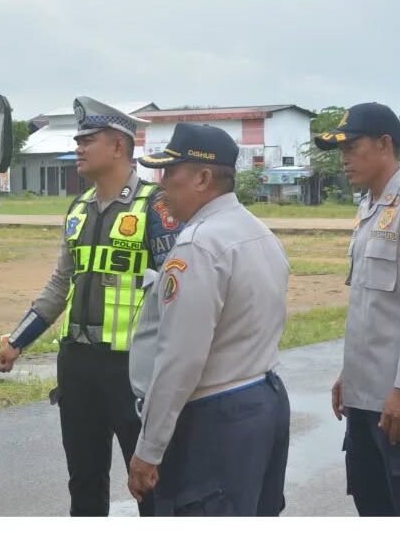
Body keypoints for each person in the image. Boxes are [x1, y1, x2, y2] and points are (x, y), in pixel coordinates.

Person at [0, 96, 183, 516]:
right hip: (78, 366)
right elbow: (61, 284)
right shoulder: (77, 209)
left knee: (149, 482)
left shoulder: (157, 207)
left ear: (118, 146)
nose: (78, 147)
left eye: (88, 139)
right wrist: (18, 341)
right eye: (78, 139)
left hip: (133, 371)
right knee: (84, 479)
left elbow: (178, 293)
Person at [126, 123, 291, 516]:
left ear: (202, 177)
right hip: (263, 401)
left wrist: (148, 451)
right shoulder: (258, 233)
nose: (162, 186)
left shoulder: (198, 244)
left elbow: (180, 359)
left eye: (170, 174)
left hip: (216, 418)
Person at [314, 102, 400, 516]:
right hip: (366, 395)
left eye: (352, 147)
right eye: (340, 150)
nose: (344, 159)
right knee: (372, 506)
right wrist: (349, 375)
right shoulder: (369, 207)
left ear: (384, 144)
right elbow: (372, 306)